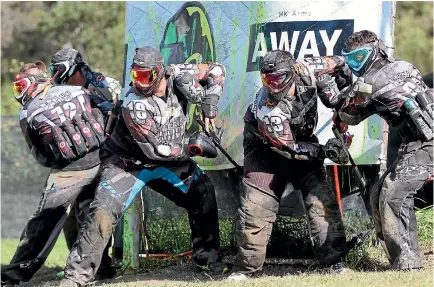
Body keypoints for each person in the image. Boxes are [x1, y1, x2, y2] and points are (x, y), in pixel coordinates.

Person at [58, 46, 227, 287]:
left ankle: (207, 261)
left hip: (169, 160)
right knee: (103, 211)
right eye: (136, 76)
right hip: (126, 164)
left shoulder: (179, 74)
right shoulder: (133, 103)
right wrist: (195, 147)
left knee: (203, 192)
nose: (140, 83)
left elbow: (217, 70)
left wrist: (210, 101)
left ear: (160, 72)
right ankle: (77, 275)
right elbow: (159, 151)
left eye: (145, 76)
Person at [227, 50, 352, 281]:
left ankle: (335, 261)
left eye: (277, 79)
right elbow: (290, 149)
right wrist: (327, 151)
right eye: (267, 79)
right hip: (265, 151)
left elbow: (341, 64)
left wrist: (341, 112)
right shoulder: (267, 109)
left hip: (302, 142)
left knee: (321, 201)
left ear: (293, 72)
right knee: (255, 208)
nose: (272, 86)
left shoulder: (311, 69)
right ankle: (245, 269)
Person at [1, 61, 110, 286]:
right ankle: (101, 268)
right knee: (94, 217)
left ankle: (12, 275)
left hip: (67, 171)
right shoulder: (79, 91)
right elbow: (108, 112)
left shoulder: (28, 111)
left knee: (43, 222)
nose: (19, 93)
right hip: (102, 161)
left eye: (20, 86)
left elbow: (40, 155)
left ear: (36, 83)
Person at [332, 30, 433, 271]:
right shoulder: (392, 71)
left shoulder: (380, 79)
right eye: (350, 60)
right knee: (377, 193)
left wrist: (336, 88)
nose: (355, 65)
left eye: (359, 58)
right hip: (414, 144)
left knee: (394, 195)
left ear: (376, 50)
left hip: (428, 144)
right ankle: (396, 255)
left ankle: (408, 265)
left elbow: (350, 115)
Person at [49, 48, 122, 277]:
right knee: (69, 215)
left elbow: (117, 112)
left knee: (91, 210)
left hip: (102, 155)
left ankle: (100, 265)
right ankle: (78, 262)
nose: (55, 76)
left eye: (58, 70)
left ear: (73, 67)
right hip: (75, 157)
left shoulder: (101, 84)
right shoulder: (63, 91)